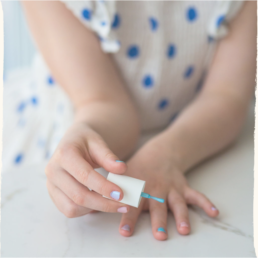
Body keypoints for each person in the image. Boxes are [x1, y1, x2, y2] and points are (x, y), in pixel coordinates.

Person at [4, 0, 255, 241]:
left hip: (196, 134)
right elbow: (102, 102)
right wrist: (85, 135)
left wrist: (163, 155)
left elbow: (226, 95)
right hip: (67, 126)